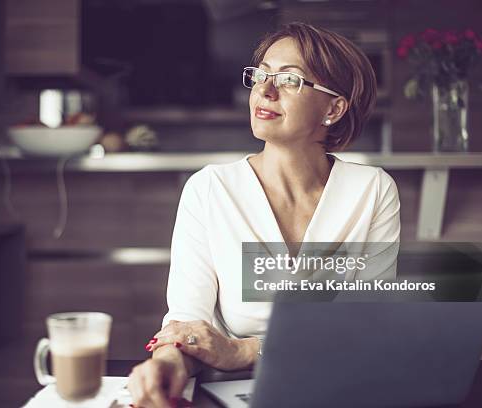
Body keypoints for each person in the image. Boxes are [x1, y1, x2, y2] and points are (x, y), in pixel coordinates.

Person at [127, 21, 400, 408]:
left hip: (339, 389)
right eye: (261, 75)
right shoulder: (210, 189)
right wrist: (168, 361)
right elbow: (188, 317)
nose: (265, 90)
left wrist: (245, 350)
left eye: (289, 79)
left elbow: (367, 328)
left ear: (334, 108)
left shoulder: (371, 190)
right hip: (230, 391)